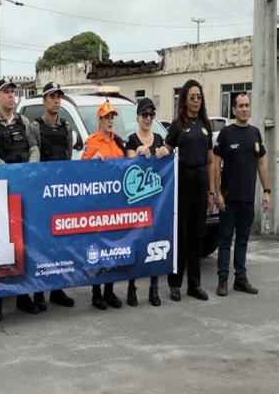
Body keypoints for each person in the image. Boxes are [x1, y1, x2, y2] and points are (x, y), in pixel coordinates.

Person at [0, 77, 40, 320]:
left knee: (24, 245)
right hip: (1, 193)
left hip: (24, 190)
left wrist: (30, 168)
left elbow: (34, 147)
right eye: (5, 92)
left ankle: (23, 296)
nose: (10, 96)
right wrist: (11, 172)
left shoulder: (24, 122)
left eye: (12, 92)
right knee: (1, 248)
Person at [213, 93, 271, 296]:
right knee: (225, 240)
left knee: (243, 240)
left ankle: (240, 278)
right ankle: (222, 279)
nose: (245, 109)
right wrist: (217, 193)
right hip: (228, 199)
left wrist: (266, 191)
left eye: (247, 105)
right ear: (234, 110)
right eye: (241, 106)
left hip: (248, 199)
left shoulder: (255, 133)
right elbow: (215, 163)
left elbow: (262, 163)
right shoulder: (226, 134)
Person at [25, 82, 76, 312]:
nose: (56, 101)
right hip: (41, 196)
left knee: (59, 244)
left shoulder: (66, 128)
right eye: (52, 97)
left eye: (58, 97)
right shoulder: (35, 128)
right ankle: (38, 292)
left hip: (61, 194)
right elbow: (33, 159)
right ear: (44, 101)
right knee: (41, 244)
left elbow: (67, 157)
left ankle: (56, 289)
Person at [165, 80, 215, 302]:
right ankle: (175, 284)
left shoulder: (205, 123)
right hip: (183, 182)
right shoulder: (177, 125)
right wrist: (152, 152)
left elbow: (211, 161)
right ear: (184, 100)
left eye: (199, 97)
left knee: (197, 235)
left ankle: (194, 285)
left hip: (201, 182)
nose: (196, 101)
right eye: (192, 97)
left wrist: (212, 192)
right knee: (181, 235)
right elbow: (166, 150)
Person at [81, 100, 126, 310]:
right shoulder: (92, 142)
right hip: (98, 208)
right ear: (99, 120)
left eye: (112, 117)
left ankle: (109, 291)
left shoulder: (118, 144)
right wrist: (91, 160)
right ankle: (96, 293)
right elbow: (80, 169)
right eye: (107, 117)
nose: (110, 121)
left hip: (115, 208)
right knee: (97, 251)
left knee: (114, 251)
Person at [125, 98, 170, 307]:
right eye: (145, 115)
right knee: (137, 243)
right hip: (137, 203)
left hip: (157, 201)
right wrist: (137, 153)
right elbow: (126, 163)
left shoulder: (160, 138)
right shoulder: (132, 139)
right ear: (138, 117)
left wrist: (166, 152)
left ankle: (154, 287)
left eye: (151, 115)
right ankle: (131, 287)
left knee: (155, 242)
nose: (148, 118)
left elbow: (170, 159)